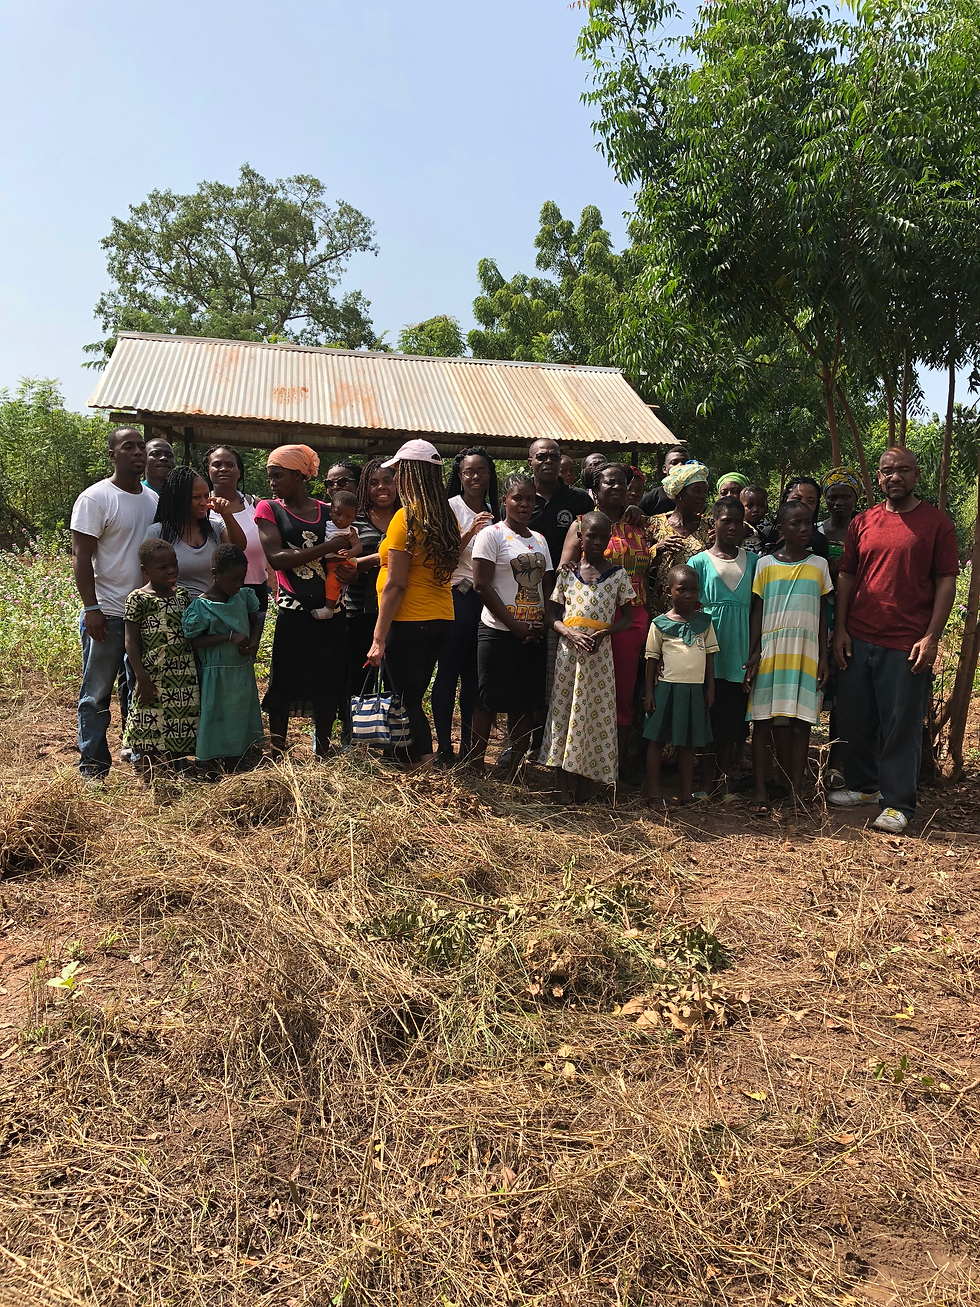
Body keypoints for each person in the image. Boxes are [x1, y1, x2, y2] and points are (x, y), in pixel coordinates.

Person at [831, 448, 959, 834]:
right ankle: (865, 787)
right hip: (859, 636)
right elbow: (848, 576)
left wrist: (932, 636)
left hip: (907, 642)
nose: (895, 477)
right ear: (879, 478)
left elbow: (946, 582)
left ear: (917, 476)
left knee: (900, 724)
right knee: (856, 719)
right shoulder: (863, 522)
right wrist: (840, 630)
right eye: (888, 471)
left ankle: (898, 803)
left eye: (903, 470)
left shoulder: (936, 524)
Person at [70, 426, 160, 781]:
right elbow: (81, 556)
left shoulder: (152, 501)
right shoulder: (96, 498)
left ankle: (137, 752)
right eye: (129, 447)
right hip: (107, 612)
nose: (138, 452)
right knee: (96, 694)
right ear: (113, 454)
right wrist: (91, 609)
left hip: (144, 613)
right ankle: (93, 767)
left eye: (141, 447)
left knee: (138, 689)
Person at [255, 445, 354, 757]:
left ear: (299, 475)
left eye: (278, 476)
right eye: (271, 476)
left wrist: (348, 567)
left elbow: (348, 550)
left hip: (331, 610)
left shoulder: (328, 510)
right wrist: (326, 548)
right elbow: (277, 557)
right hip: (294, 609)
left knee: (328, 679)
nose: (272, 482)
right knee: (285, 679)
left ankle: (323, 750)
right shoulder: (270, 510)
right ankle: (278, 751)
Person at [366, 439, 460, 767]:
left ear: (411, 475)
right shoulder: (446, 517)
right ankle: (417, 760)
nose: (395, 478)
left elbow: (396, 583)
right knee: (413, 696)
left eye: (397, 471)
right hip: (441, 619)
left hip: (408, 622)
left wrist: (378, 639)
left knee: (405, 699)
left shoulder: (405, 518)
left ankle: (422, 766)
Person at [560, 461, 653, 773]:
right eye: (609, 483)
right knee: (589, 694)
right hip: (592, 617)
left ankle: (614, 769)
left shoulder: (640, 524)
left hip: (632, 617)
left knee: (622, 696)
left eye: (622, 483)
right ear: (595, 490)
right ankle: (582, 765)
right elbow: (566, 573)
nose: (617, 487)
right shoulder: (582, 524)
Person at [541, 512, 637, 802]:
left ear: (610, 538)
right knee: (563, 713)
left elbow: (627, 619)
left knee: (591, 718)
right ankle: (562, 787)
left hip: (598, 658)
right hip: (568, 656)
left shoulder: (618, 575)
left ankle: (586, 786)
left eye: (602, 536)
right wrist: (569, 634)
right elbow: (552, 616)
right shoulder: (568, 574)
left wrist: (604, 633)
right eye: (590, 536)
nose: (596, 541)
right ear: (580, 538)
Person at [745, 500, 832, 817]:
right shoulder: (764, 564)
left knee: (800, 725)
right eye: (796, 523)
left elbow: (823, 614)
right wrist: (754, 651)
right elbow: (758, 610)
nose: (804, 528)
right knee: (762, 722)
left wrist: (824, 657)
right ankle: (760, 790)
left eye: (808, 522)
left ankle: (796, 792)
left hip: (806, 654)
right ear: (781, 529)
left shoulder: (819, 565)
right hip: (772, 651)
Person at [470, 472, 554, 777]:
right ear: (505, 499)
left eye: (530, 499)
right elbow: (482, 585)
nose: (524, 504)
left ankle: (514, 769)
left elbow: (547, 585)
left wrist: (542, 622)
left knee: (525, 703)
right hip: (497, 632)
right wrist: (515, 625)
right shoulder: (491, 535)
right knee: (488, 700)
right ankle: (477, 766)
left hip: (532, 634)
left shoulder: (540, 540)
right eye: (518, 498)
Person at [432, 447, 498, 765]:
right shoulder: (449, 508)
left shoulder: (496, 509)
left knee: (475, 677)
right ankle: (444, 746)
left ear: (489, 476)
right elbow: (442, 556)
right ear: (459, 476)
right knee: (448, 672)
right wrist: (471, 530)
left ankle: (470, 751)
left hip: (485, 600)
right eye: (468, 472)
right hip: (455, 595)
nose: (474, 477)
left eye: (481, 471)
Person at [691, 497, 758, 794]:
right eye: (725, 520)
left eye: (737, 521)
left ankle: (723, 779)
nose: (732, 526)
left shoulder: (755, 562)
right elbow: (689, 611)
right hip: (707, 652)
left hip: (740, 652)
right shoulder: (699, 562)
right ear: (713, 522)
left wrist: (755, 651)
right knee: (707, 717)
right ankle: (705, 780)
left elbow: (758, 609)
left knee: (733, 719)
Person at [122, 538, 199, 779]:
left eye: (174, 564)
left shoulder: (183, 595)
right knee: (147, 723)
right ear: (145, 570)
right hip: (153, 674)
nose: (171, 570)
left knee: (180, 722)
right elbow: (130, 641)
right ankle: (149, 775)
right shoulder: (138, 599)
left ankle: (175, 771)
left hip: (183, 672)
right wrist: (141, 677)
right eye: (162, 567)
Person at [182, 544, 264, 769]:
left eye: (242, 579)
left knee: (239, 713)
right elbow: (194, 641)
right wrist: (228, 637)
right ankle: (211, 761)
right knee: (216, 716)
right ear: (215, 574)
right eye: (233, 579)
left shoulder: (244, 597)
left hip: (241, 669)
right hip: (215, 674)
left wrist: (253, 643)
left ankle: (236, 758)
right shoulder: (201, 607)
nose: (238, 585)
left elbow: (255, 623)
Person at [643, 564, 718, 808]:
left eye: (693, 590)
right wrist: (649, 692)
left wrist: (710, 689)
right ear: (668, 591)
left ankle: (686, 794)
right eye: (682, 589)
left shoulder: (705, 624)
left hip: (694, 691)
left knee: (688, 744)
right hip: (666, 690)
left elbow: (709, 658)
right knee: (656, 741)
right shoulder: (660, 624)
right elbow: (652, 659)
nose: (688, 595)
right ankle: (653, 793)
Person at [344, 457, 400, 730]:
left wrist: (370, 560)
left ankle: (392, 738)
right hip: (358, 609)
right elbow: (345, 561)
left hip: (398, 611)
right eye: (374, 483)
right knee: (357, 675)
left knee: (394, 679)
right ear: (365, 487)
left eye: (388, 481)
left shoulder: (408, 517)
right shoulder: (356, 520)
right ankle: (354, 736)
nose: (382, 488)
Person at [144, 466, 248, 596]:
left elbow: (239, 547)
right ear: (178, 498)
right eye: (196, 497)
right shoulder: (158, 532)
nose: (203, 503)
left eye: (206, 496)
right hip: (174, 612)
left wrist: (227, 514)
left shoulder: (215, 527)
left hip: (212, 610)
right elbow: (147, 584)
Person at [202, 444, 271, 637]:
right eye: (216, 464)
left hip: (255, 589)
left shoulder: (256, 504)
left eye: (230, 464)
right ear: (208, 470)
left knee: (248, 649)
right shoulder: (201, 506)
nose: (223, 468)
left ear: (239, 471)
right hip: (214, 591)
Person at [648, 461, 711, 614]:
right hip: (662, 607)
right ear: (680, 493)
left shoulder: (709, 525)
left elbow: (745, 529)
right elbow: (639, 562)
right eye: (696, 490)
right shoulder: (655, 523)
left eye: (704, 491)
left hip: (699, 608)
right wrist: (658, 548)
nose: (702, 496)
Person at [318, 490, 362, 618]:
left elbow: (358, 547)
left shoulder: (350, 531)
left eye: (348, 517)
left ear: (354, 517)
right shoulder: (326, 524)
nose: (342, 519)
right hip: (328, 563)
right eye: (337, 514)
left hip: (342, 564)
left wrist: (350, 552)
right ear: (330, 511)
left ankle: (329, 609)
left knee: (332, 583)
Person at [767, 478, 830, 562]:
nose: (802, 504)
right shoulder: (768, 533)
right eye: (797, 498)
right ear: (786, 499)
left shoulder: (817, 541)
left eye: (810, 501)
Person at [818, 467, 861, 580]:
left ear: (856, 498)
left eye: (846, 497)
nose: (838, 503)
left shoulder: (865, 532)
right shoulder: (813, 531)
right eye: (832, 497)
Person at [640, 445, 689, 516]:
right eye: (674, 463)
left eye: (685, 462)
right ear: (664, 469)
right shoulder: (650, 500)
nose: (680, 465)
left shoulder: (696, 498)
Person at [741, 485, 774, 554]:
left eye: (760, 506)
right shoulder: (744, 527)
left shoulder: (760, 527)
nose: (755, 510)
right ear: (740, 508)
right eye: (749, 506)